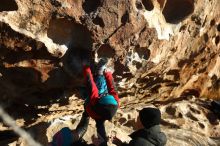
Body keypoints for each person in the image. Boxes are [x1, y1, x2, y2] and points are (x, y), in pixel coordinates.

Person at [75, 58, 120, 146]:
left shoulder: (95, 101)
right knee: (99, 123)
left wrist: (86, 68)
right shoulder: (115, 103)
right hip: (96, 112)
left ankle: (99, 73)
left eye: (103, 96)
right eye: (107, 95)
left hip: (90, 106)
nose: (105, 95)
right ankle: (83, 94)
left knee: (101, 88)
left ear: (99, 100)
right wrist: (108, 74)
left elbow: (90, 84)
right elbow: (113, 89)